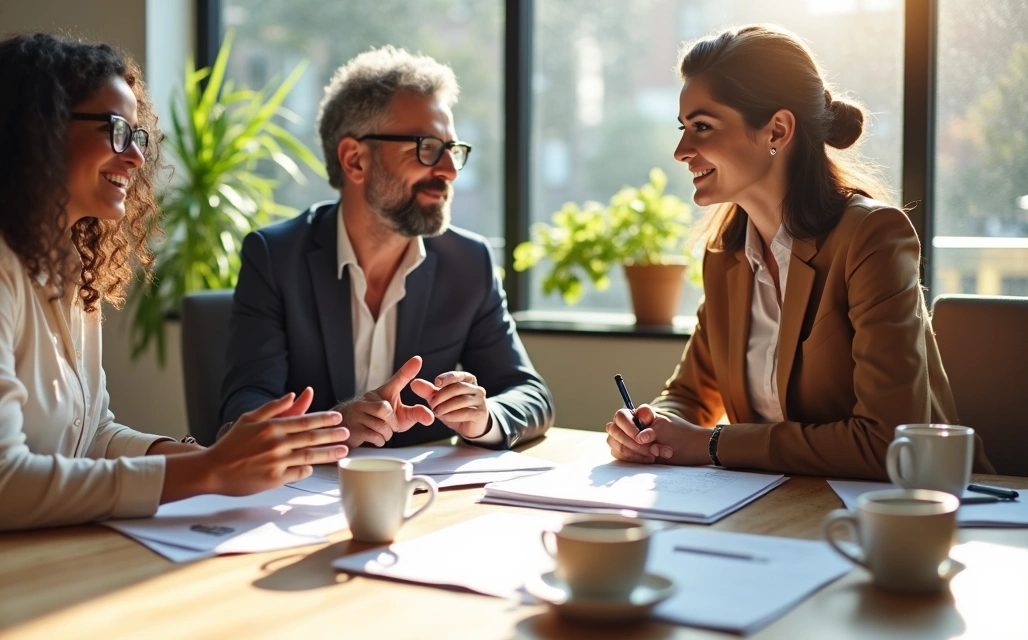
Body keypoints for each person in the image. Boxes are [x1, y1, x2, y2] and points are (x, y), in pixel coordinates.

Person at [0, 34, 349, 543]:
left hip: (28, 558)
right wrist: (209, 472)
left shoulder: (69, 268)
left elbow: (94, 436)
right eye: (115, 129)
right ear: (36, 132)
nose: (135, 158)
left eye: (138, 135)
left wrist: (218, 460)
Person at [605, 25, 994, 479]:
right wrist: (650, 429)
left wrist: (711, 443)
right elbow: (692, 395)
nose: (681, 150)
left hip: (908, 511)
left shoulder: (872, 237)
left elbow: (888, 441)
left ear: (777, 129)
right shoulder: (726, 255)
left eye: (702, 127)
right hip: (781, 508)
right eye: (683, 127)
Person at [219, 46, 553, 450]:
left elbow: (530, 394)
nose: (448, 171)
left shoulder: (469, 263)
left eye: (453, 151)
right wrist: (333, 427)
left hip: (430, 500)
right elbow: (243, 413)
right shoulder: (275, 258)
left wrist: (483, 418)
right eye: (427, 148)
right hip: (303, 499)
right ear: (355, 159)